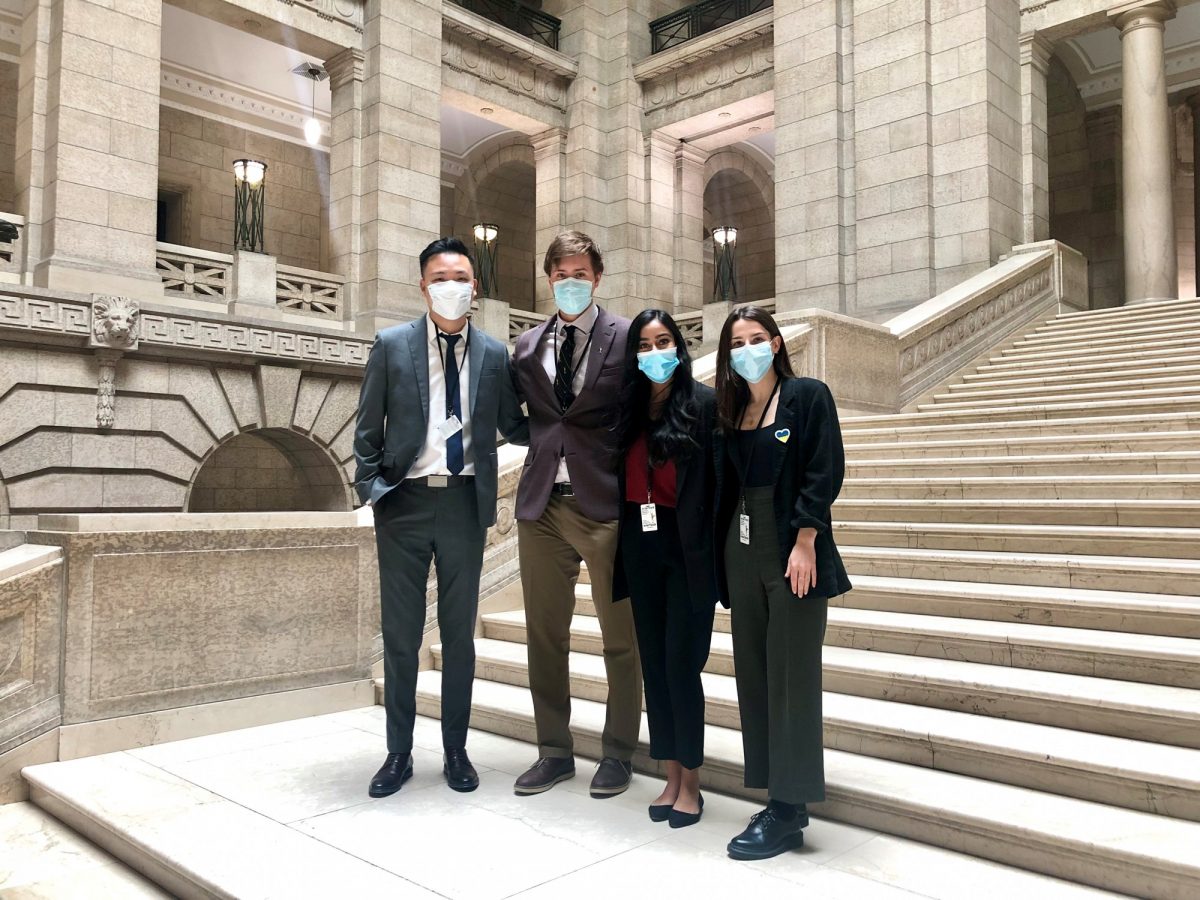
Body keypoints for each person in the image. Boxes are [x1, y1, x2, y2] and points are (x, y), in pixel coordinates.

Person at [353, 237, 528, 799]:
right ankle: (398, 753)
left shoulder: (495, 355)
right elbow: (366, 431)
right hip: (403, 504)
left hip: (462, 504)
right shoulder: (391, 345)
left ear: (475, 286)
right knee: (401, 636)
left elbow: (515, 425)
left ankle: (456, 749)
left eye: (461, 277)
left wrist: (569, 425)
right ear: (423, 285)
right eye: (440, 277)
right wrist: (375, 490)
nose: (451, 286)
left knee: (458, 636)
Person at [712, 305, 852, 860]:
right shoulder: (732, 411)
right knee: (754, 671)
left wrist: (806, 538)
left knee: (791, 675)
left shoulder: (808, 396)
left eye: (754, 338)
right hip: (739, 551)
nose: (745, 348)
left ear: (774, 343)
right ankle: (774, 793)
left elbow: (825, 468)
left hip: (792, 546)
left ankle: (791, 811)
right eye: (735, 342)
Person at [510, 231, 642, 798]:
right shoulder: (525, 346)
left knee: (622, 638)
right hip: (541, 507)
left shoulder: (625, 337)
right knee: (545, 635)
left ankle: (617, 753)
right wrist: (544, 448)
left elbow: (642, 415)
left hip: (606, 506)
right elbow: (521, 420)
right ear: (548, 279)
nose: (570, 282)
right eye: (561, 274)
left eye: (580, 274)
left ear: (597, 277)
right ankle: (554, 751)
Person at [613, 309, 718, 829]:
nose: (656, 353)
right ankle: (670, 773)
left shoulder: (703, 406)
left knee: (681, 664)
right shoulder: (628, 410)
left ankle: (693, 782)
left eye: (664, 342)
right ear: (634, 354)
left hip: (688, 550)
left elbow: (719, 491)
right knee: (654, 665)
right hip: (640, 543)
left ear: (679, 347)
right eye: (645, 344)